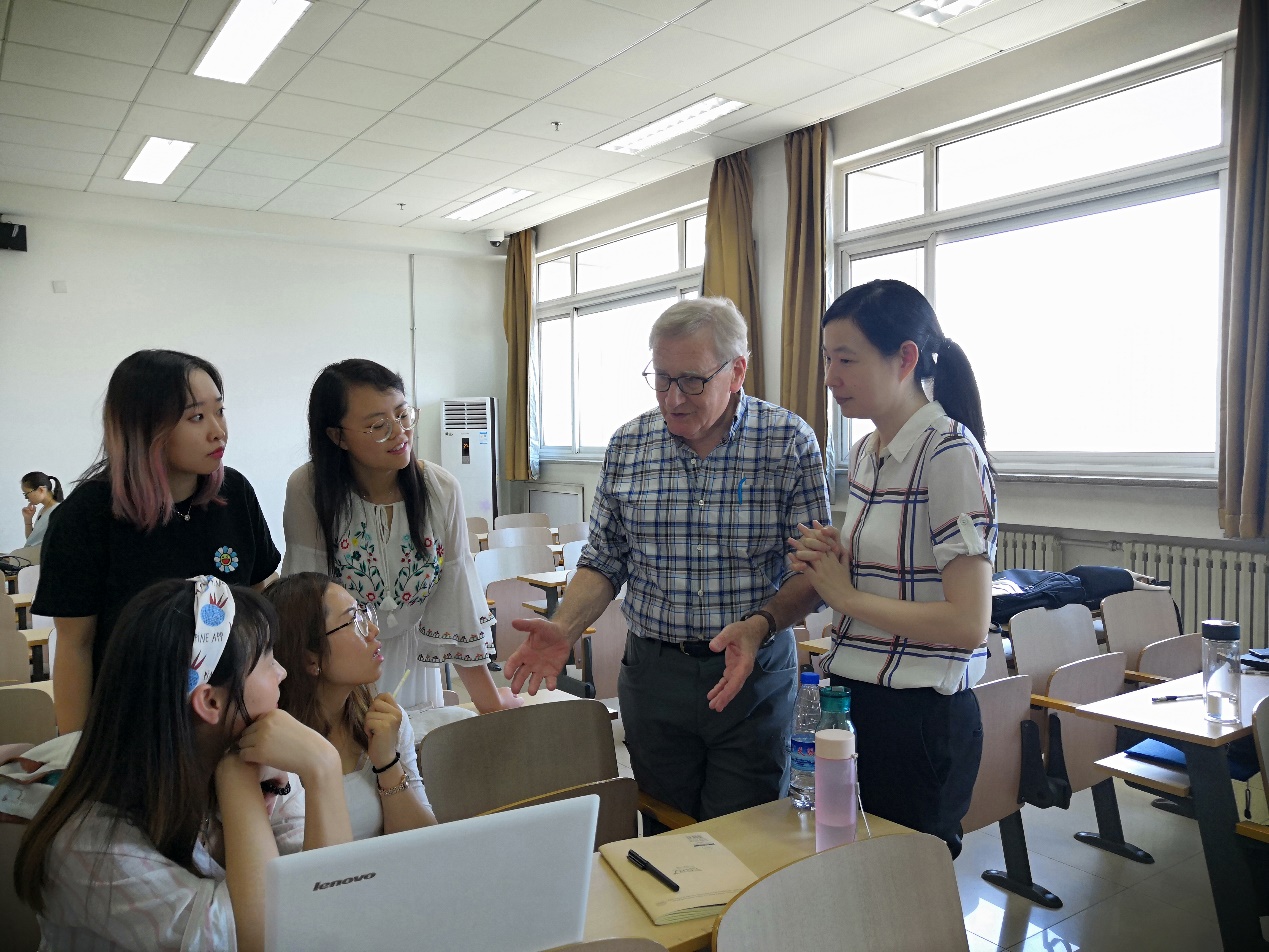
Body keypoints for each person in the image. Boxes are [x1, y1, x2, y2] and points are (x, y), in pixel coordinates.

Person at [506, 297, 831, 824]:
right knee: (665, 831)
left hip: (752, 673)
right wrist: (564, 626)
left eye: (692, 381)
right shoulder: (629, 445)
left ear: (736, 372)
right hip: (656, 677)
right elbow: (604, 558)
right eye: (661, 379)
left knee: (743, 837)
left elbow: (813, 573)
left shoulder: (787, 443)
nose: (673, 398)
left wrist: (759, 626)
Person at [14, 576, 352, 952]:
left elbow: (329, 912)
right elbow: (267, 940)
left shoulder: (260, 760)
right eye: (268, 660)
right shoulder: (90, 843)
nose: (282, 673)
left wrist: (322, 768)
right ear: (210, 702)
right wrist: (240, 779)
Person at [788, 279, 996, 858]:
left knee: (904, 886)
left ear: (905, 358)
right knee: (851, 872)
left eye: (846, 359)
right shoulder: (866, 451)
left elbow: (968, 624)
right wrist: (836, 554)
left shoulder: (949, 453)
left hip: (920, 716)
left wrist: (844, 597)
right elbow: (899, 565)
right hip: (856, 698)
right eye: (827, 359)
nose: (831, 377)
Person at [32, 350, 281, 734]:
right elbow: (74, 647)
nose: (218, 431)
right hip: (137, 729)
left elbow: (264, 596)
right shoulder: (86, 516)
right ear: (145, 428)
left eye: (220, 411)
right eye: (196, 417)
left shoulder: (235, 493)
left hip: (232, 718)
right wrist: (75, 748)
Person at [282, 359, 520, 714]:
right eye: (378, 425)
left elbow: (456, 598)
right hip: (339, 679)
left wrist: (491, 705)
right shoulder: (309, 489)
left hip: (415, 667)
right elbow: (307, 607)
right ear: (337, 436)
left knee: (418, 743)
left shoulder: (440, 489)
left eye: (403, 415)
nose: (400, 433)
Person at [266, 572, 436, 841]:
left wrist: (387, 764)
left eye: (364, 613)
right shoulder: (270, 746)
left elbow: (426, 844)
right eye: (353, 620)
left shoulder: (383, 720)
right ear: (310, 658)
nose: (373, 630)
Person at [19, 471, 63, 549]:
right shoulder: (44, 509)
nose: (26, 498)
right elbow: (31, 541)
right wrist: (28, 519)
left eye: (26, 493)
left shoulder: (57, 511)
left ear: (41, 490)